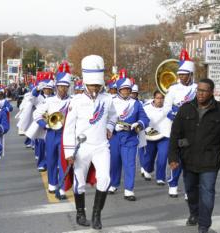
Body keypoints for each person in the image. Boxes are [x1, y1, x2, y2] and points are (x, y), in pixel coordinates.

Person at [63, 55, 117, 229]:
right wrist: (69, 153)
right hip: (82, 148)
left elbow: (113, 116)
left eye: (97, 85)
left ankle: (96, 215)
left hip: (101, 146)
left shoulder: (108, 99)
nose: (95, 88)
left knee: (105, 178)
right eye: (92, 85)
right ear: (86, 83)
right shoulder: (76, 101)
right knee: (79, 181)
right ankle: (80, 214)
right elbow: (69, 128)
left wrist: (109, 126)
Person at [168, 78, 220, 233]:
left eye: (204, 91)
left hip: (210, 160)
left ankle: (204, 225)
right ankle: (194, 213)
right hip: (188, 159)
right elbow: (175, 133)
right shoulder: (185, 109)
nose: (200, 94)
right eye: (198, 90)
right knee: (191, 191)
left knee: (208, 193)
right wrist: (173, 157)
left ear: (211, 92)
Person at [109, 76, 149, 201]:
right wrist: (114, 126)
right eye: (124, 89)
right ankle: (114, 184)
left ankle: (129, 190)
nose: (126, 91)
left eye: (128, 89)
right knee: (114, 163)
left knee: (130, 164)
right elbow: (104, 119)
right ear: (119, 90)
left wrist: (139, 124)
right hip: (114, 137)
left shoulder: (136, 103)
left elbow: (145, 118)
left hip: (130, 137)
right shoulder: (111, 101)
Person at [164, 49, 198, 198]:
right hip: (177, 128)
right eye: (180, 75)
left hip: (193, 128)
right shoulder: (173, 89)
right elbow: (166, 107)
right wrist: (175, 115)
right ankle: (173, 184)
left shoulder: (197, 88)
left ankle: (189, 188)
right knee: (176, 157)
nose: (181, 77)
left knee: (191, 159)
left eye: (184, 75)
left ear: (190, 74)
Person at [33, 72, 71, 199]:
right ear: (56, 87)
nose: (63, 89)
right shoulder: (49, 101)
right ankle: (52, 184)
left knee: (63, 162)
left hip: (65, 135)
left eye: (65, 87)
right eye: (60, 86)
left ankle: (61, 188)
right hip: (51, 134)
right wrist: (45, 124)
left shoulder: (72, 101)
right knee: (51, 160)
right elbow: (37, 114)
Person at [141, 90, 171, 184]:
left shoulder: (169, 108)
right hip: (150, 135)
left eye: (162, 98)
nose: (160, 100)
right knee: (149, 157)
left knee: (162, 157)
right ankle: (147, 169)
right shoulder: (146, 108)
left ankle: (160, 178)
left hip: (165, 136)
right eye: (158, 98)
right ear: (154, 98)